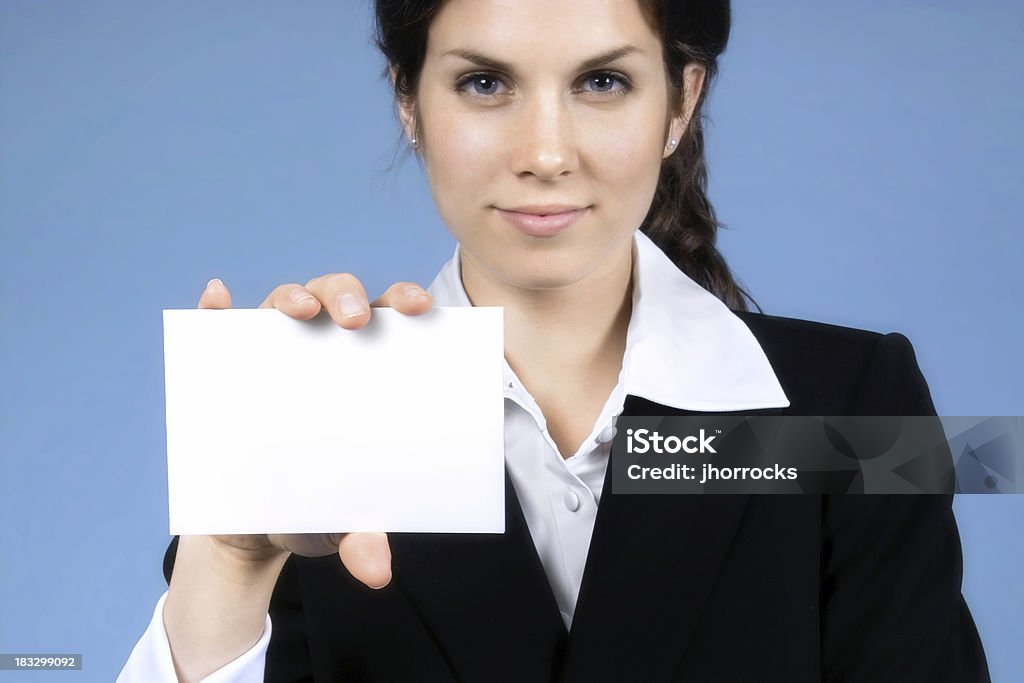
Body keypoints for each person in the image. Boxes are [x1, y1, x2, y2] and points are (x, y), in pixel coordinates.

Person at [119, 0, 990, 681]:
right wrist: (229, 562)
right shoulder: (318, 407)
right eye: (486, 83)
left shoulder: (854, 402)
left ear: (681, 103)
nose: (546, 152)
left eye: (602, 82)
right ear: (408, 101)